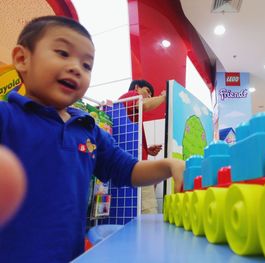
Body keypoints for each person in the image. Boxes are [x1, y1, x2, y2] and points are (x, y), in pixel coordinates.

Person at [0, 16, 184, 262]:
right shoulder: (6, 117)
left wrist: (169, 165)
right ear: (23, 59)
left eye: (87, 65)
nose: (77, 67)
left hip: (71, 255)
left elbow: (128, 169)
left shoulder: (88, 129)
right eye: (62, 53)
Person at [119, 80, 166, 214]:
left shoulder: (134, 116)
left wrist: (147, 150)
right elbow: (142, 105)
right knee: (149, 211)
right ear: (137, 88)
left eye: (151, 94)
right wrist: (163, 97)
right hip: (135, 167)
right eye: (147, 91)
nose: (149, 96)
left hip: (132, 165)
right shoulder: (131, 95)